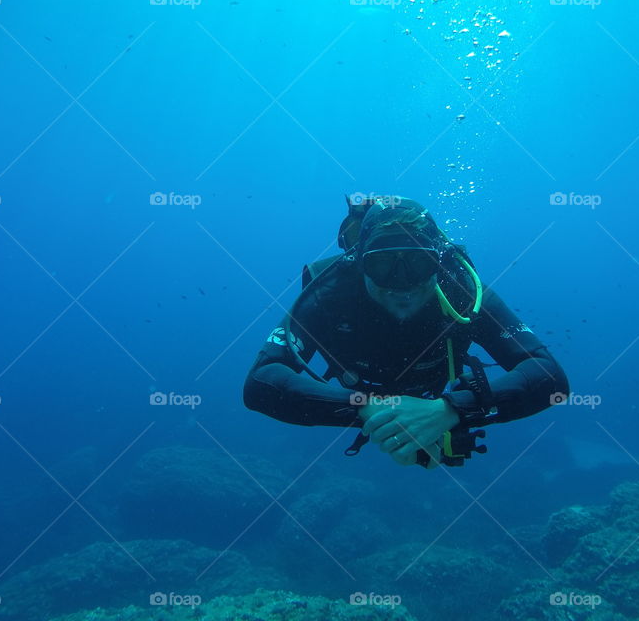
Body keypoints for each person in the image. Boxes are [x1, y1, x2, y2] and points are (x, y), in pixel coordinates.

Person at [243, 196, 569, 468]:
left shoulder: (461, 290)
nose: (403, 284)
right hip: (362, 393)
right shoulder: (331, 293)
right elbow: (260, 384)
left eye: (419, 264)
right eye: (382, 265)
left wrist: (451, 410)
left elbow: (550, 377)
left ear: (439, 264)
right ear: (359, 264)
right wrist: (368, 409)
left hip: (435, 393)